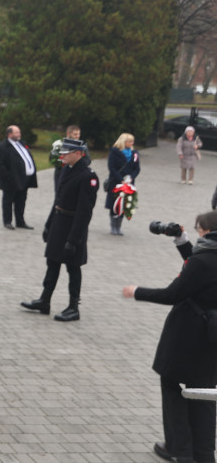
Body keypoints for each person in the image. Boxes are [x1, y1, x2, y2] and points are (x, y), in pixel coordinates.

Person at [122, 211, 217, 463]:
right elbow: (203, 271)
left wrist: (137, 292)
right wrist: (181, 241)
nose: (198, 234)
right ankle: (204, 454)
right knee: (204, 394)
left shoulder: (202, 261)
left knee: (172, 387)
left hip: (188, 336)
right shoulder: (206, 258)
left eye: (199, 230)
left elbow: (173, 293)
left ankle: (181, 450)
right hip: (211, 339)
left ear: (208, 231)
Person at [21, 138, 98, 321]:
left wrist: (73, 240)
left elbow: (84, 212)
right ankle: (45, 300)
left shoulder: (88, 176)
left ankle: (73, 307)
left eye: (66, 153)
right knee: (52, 263)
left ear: (78, 154)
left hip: (73, 226)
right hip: (59, 222)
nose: (62, 156)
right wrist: (49, 224)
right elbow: (58, 200)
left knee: (73, 267)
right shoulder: (66, 169)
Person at [0, 125, 38, 230]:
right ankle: (7, 221)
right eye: (17, 132)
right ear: (9, 134)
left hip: (24, 178)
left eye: (19, 132)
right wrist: (8, 176)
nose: (19, 134)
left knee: (21, 201)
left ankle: (20, 221)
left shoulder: (21, 144)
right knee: (8, 201)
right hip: (10, 180)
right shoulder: (1, 146)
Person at [104, 133, 140, 236]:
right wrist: (121, 179)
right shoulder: (114, 152)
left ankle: (118, 227)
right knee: (114, 204)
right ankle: (113, 226)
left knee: (124, 205)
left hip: (128, 184)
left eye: (132, 141)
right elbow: (111, 167)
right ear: (123, 142)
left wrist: (131, 177)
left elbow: (137, 168)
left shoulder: (134, 154)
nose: (132, 143)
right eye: (130, 141)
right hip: (115, 182)